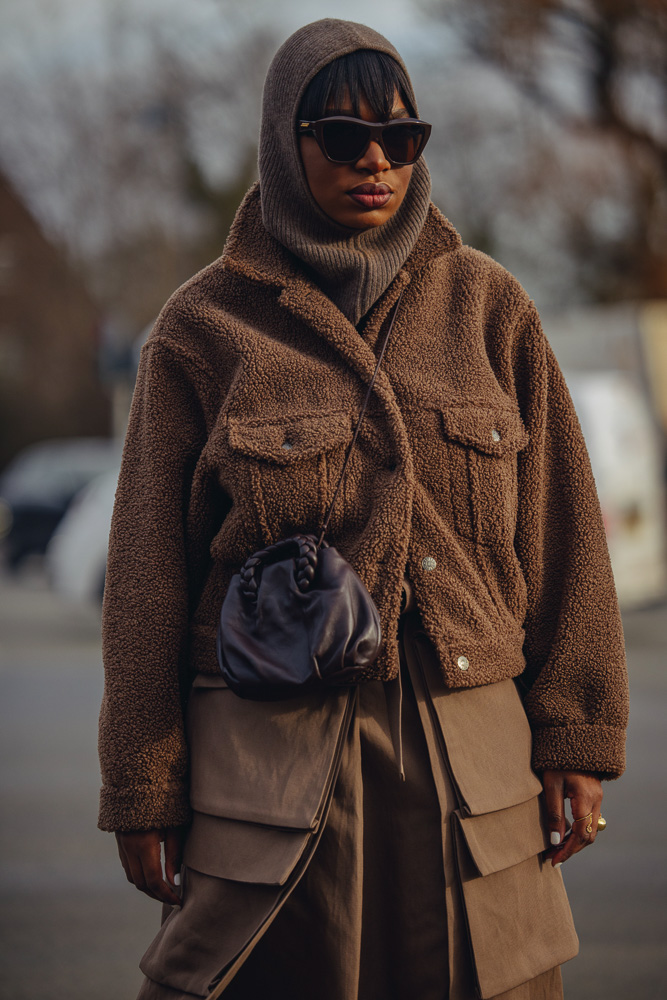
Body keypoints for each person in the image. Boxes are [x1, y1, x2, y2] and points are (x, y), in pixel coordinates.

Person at [97, 18, 629, 1000]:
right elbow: (142, 578)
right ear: (283, 144)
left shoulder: (490, 308)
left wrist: (577, 738)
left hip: (471, 761)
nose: (376, 159)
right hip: (265, 764)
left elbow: (567, 537)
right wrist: (143, 784)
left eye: (402, 136)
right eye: (342, 136)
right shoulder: (201, 328)